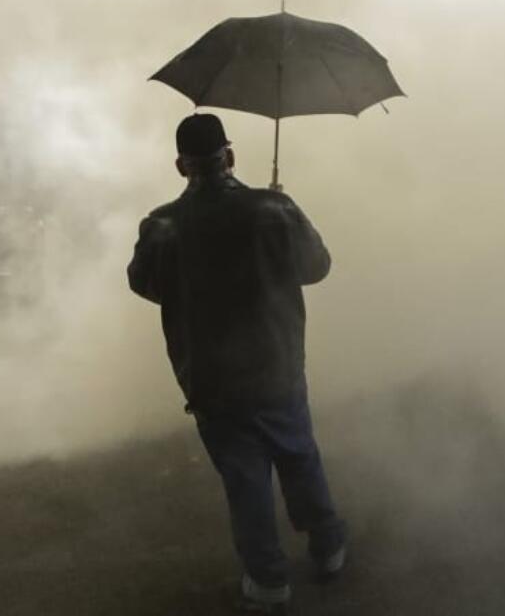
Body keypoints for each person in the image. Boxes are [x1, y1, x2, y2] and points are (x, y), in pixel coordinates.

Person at [127, 113, 346, 615]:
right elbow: (317, 267)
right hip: (277, 363)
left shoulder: (161, 225)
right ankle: (328, 547)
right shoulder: (273, 207)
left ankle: (268, 581)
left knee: (245, 479)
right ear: (230, 156)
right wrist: (280, 211)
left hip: (210, 377)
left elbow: (145, 285)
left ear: (181, 165)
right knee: (298, 455)